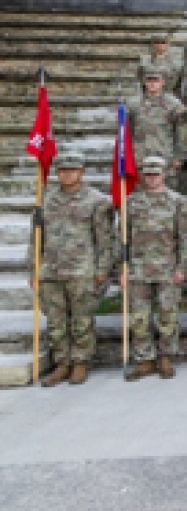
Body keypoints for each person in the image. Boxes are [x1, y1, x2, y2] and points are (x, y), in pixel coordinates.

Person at [32, 152, 117, 387]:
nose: (67, 174)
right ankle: (62, 363)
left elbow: (104, 239)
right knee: (55, 322)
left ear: (82, 172)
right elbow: (36, 239)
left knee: (82, 320)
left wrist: (102, 269)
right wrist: (34, 269)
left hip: (83, 270)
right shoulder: (45, 200)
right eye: (62, 170)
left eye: (72, 170)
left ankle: (81, 362)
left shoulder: (97, 201)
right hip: (51, 270)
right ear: (56, 173)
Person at [124, 156, 187, 381]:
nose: (152, 178)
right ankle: (145, 359)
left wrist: (183, 267)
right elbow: (122, 239)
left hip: (167, 267)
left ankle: (165, 356)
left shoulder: (178, 202)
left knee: (167, 315)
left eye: (156, 174)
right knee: (139, 318)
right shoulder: (131, 203)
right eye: (148, 174)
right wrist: (122, 269)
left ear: (164, 174)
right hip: (138, 268)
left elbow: (186, 238)